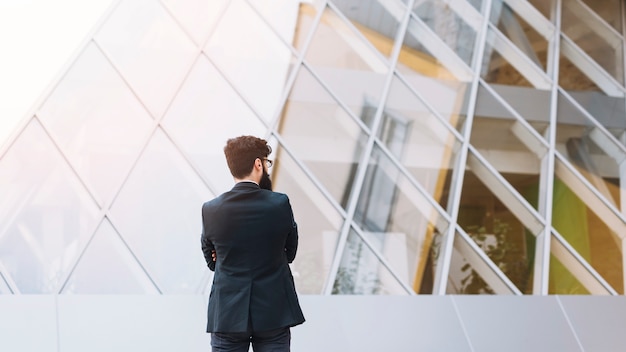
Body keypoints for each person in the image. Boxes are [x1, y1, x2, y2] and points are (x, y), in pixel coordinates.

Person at [201, 135, 305, 352]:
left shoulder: (211, 209)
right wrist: (271, 258)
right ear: (258, 164)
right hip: (273, 312)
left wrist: (225, 260)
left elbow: (211, 259)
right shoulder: (279, 204)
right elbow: (291, 251)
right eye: (267, 163)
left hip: (228, 314)